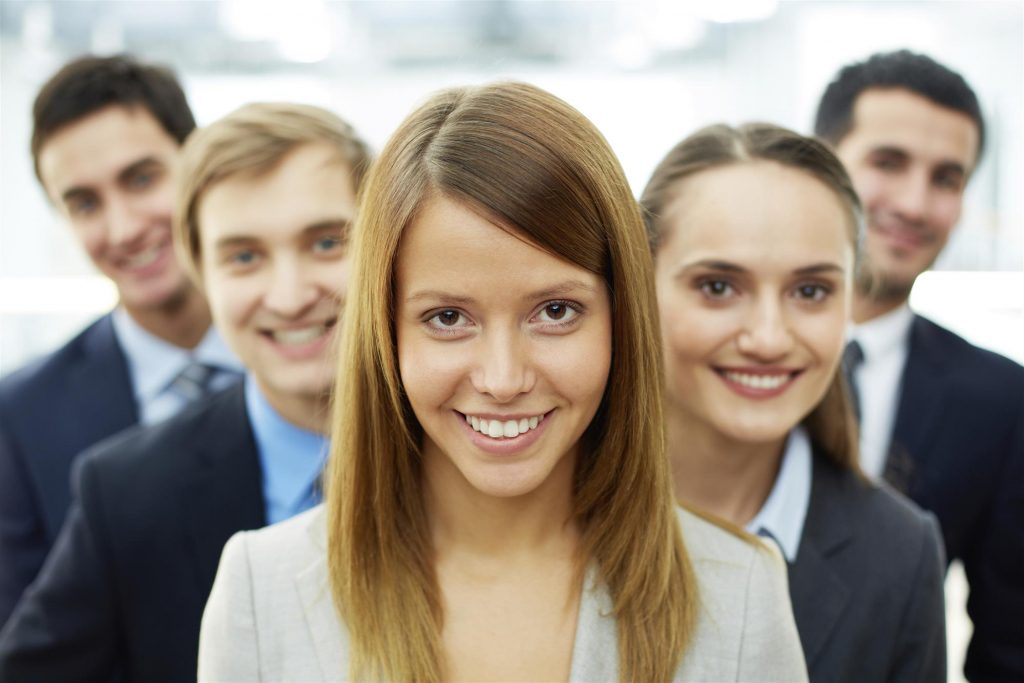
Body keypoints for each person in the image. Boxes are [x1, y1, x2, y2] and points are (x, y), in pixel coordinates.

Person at [197, 82, 808, 682]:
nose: (503, 378)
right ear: (385, 333)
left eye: (556, 311)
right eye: (447, 318)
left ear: (623, 319)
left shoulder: (741, 594)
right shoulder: (261, 591)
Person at [0, 103, 372, 683]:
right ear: (201, 270)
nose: (291, 294)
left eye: (326, 243)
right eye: (244, 257)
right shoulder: (127, 494)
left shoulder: (475, 446)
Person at [640, 122, 946, 682]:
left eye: (811, 291)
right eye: (717, 286)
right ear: (639, 284)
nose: (769, 338)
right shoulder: (539, 508)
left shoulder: (899, 555)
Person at [0, 54, 242, 627]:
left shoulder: (320, 360)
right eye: (85, 203)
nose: (124, 228)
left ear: (198, 162)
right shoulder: (19, 419)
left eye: (142, 178)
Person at [815, 50, 1024, 680]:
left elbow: (1009, 648)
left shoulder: (999, 400)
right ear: (822, 164)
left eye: (946, 178)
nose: (914, 203)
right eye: (888, 162)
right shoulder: (698, 355)